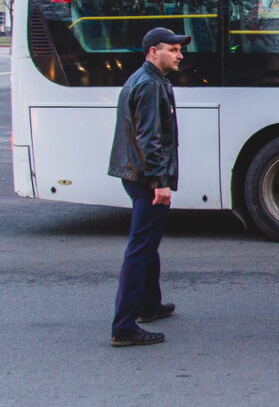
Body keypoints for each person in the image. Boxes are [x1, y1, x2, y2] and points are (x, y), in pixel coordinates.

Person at [108, 27, 190, 347]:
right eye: (172, 49)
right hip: (146, 179)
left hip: (135, 174)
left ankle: (148, 304)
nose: (179, 54)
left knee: (147, 243)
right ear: (153, 52)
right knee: (140, 249)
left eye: (179, 49)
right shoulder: (151, 85)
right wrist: (160, 182)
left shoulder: (144, 79)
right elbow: (150, 139)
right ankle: (124, 326)